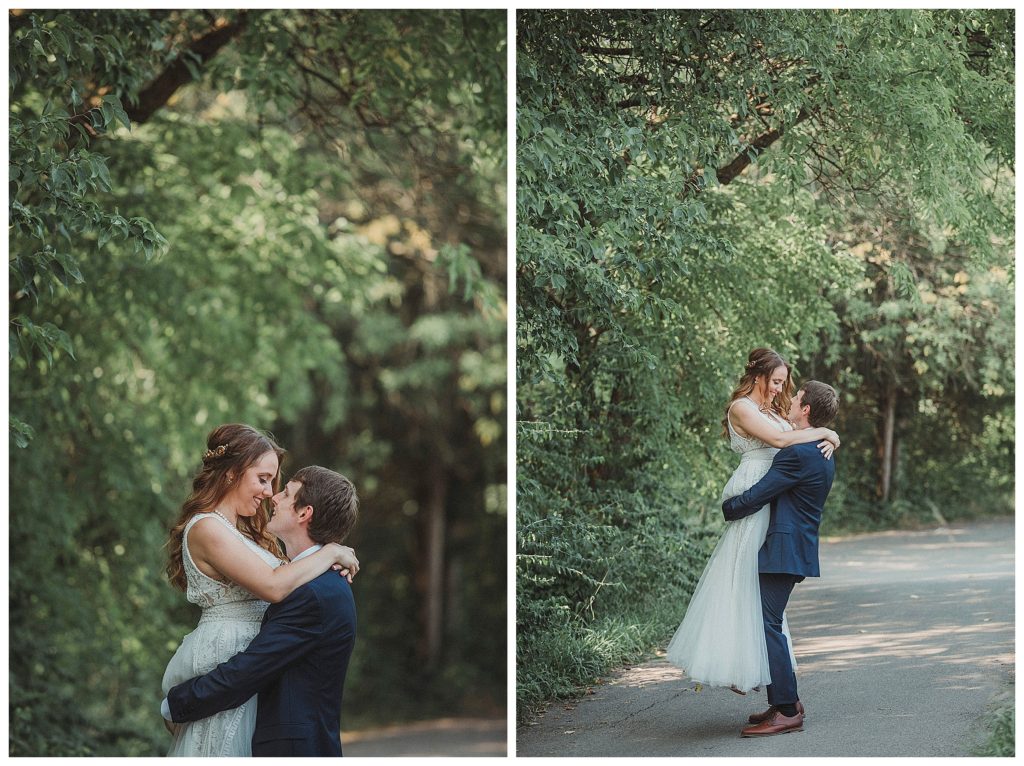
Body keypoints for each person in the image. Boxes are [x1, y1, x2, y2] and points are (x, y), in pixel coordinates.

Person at [161, 425, 359, 757]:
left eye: (275, 483)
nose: (269, 492)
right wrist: (330, 552)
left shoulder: (247, 533)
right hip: (228, 660)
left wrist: (328, 555)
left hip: (250, 672)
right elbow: (272, 586)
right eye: (263, 478)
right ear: (232, 473)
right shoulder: (207, 526)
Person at [665, 349, 839, 693]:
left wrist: (828, 434)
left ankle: (773, 689)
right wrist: (826, 433)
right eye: (775, 381)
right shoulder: (741, 407)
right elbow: (779, 440)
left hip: (773, 499)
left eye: (784, 383)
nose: (779, 388)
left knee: (758, 600)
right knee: (741, 588)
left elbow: (794, 433)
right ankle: (747, 674)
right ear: (758, 376)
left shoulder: (774, 410)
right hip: (757, 492)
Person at [723, 379, 839, 737]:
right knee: (771, 621)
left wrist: (730, 508)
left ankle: (788, 710)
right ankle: (784, 701)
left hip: (783, 550)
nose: (790, 400)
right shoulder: (820, 448)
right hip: (795, 548)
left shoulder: (798, 453)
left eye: (798, 398)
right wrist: (832, 434)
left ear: (805, 410)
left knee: (767, 624)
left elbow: (761, 493)